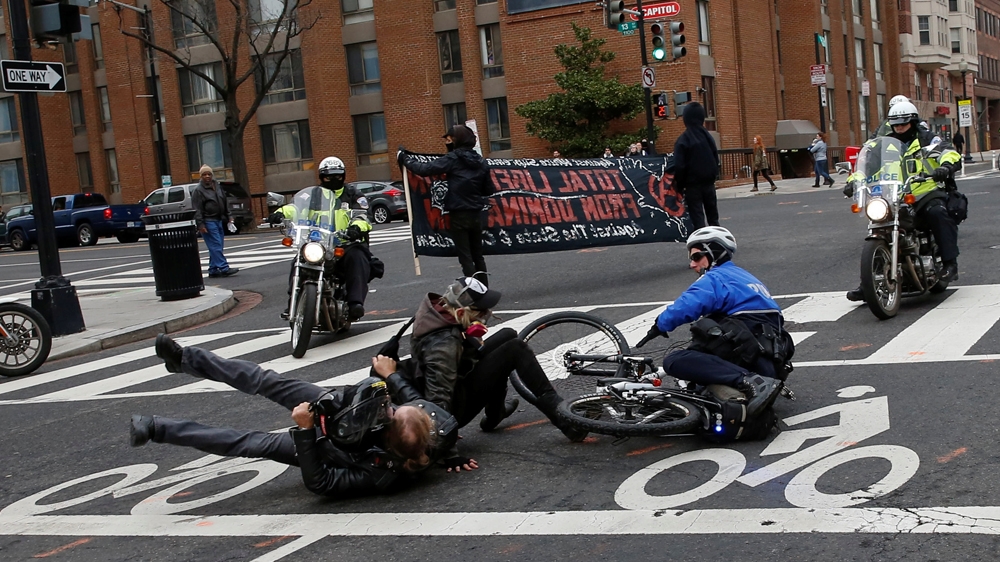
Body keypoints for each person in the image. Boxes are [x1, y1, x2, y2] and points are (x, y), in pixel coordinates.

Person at [129, 334, 457, 496]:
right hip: (344, 411)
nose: (393, 407)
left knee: (250, 442)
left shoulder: (381, 474)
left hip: (324, 450)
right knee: (267, 380)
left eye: (391, 412)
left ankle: (156, 428)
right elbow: (415, 400)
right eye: (393, 408)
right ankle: (186, 359)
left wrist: (304, 431)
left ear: (386, 437)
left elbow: (321, 482)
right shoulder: (439, 429)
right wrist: (391, 375)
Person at [370, 277, 588, 472]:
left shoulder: (437, 312)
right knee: (515, 350)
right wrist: (450, 453)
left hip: (455, 381)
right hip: (452, 410)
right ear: (462, 313)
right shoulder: (444, 345)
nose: (487, 316)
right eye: (482, 312)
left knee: (508, 335)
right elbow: (437, 402)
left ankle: (495, 414)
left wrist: (469, 343)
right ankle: (566, 421)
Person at [642, 227, 791, 418]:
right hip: (767, 360)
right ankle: (755, 382)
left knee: (675, 360)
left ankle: (751, 382)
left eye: (696, 257)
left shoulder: (716, 277)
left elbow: (687, 305)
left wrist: (659, 325)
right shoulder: (746, 277)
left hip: (746, 351)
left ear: (714, 253)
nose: (692, 264)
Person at [846, 101, 962, 300]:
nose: (899, 127)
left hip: (925, 192)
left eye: (903, 123)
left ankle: (950, 264)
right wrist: (853, 182)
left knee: (937, 213)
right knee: (879, 227)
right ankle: (868, 283)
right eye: (895, 124)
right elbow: (865, 165)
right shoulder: (882, 143)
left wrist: (945, 167)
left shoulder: (927, 139)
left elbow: (948, 152)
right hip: (895, 195)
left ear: (913, 121)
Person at [270, 156, 373, 320]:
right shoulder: (312, 195)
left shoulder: (353, 194)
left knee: (357, 256)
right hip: (317, 243)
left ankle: (355, 304)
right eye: (328, 177)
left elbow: (363, 216)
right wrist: (280, 213)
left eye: (337, 176)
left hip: (343, 244)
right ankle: (293, 303)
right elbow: (294, 207)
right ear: (321, 177)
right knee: (299, 260)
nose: (333, 180)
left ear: (344, 176)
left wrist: (355, 228)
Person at [399, 125, 492, 286]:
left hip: (458, 212)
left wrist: (404, 158)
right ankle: (484, 288)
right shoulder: (481, 162)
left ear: (457, 141)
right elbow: (488, 189)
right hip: (476, 213)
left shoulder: (453, 159)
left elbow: (424, 169)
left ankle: (473, 291)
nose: (447, 143)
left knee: (465, 256)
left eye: (450, 140)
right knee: (478, 255)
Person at [672, 102, 720, 230]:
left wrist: (680, 184)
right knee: (713, 216)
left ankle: (701, 243)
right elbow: (715, 157)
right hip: (709, 183)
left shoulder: (683, 139)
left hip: (692, 185)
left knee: (697, 216)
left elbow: (679, 165)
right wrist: (714, 175)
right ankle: (716, 241)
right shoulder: (708, 136)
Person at [192, 165, 238, 278]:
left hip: (218, 219)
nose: (207, 176)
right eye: (204, 174)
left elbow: (224, 201)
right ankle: (224, 267)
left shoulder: (216, 186)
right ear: (201, 176)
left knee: (217, 245)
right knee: (216, 245)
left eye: (209, 174)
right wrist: (200, 224)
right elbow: (197, 209)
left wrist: (229, 216)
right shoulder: (198, 190)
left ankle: (213, 269)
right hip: (208, 221)